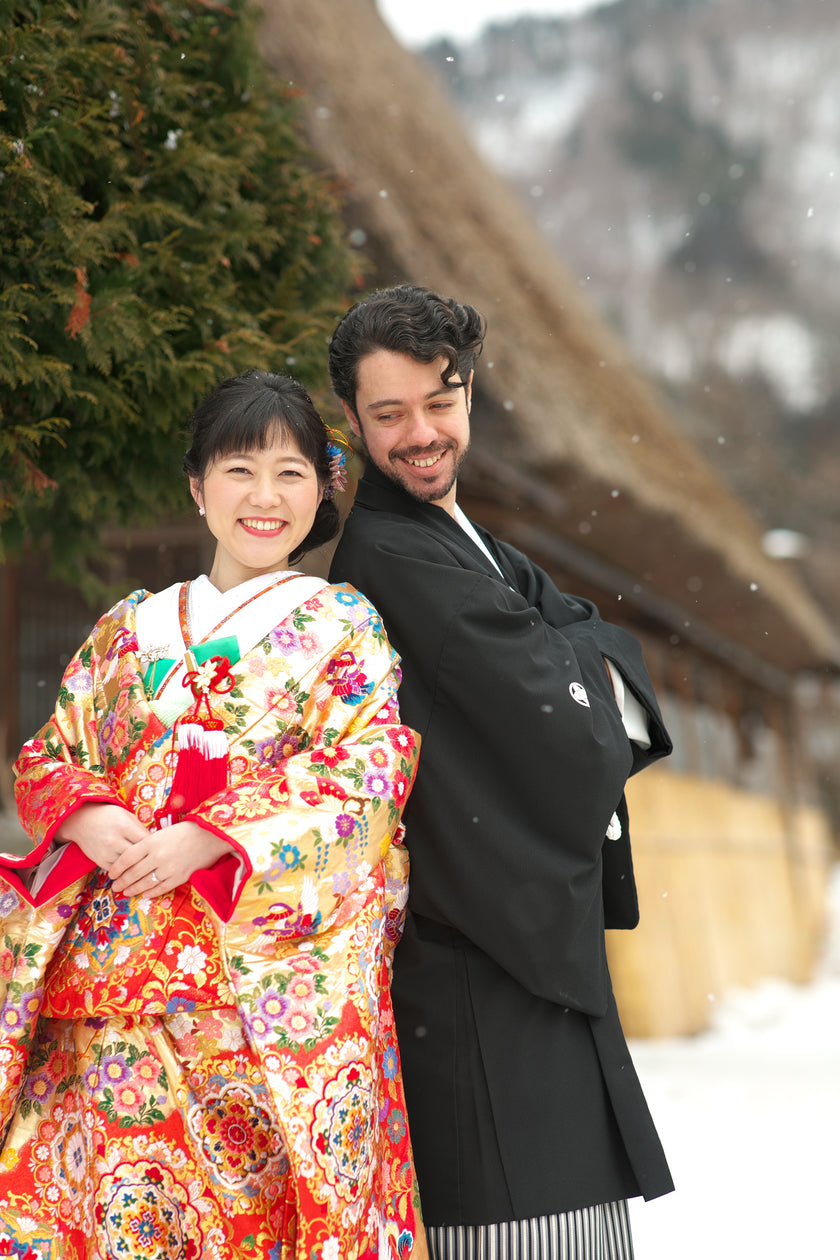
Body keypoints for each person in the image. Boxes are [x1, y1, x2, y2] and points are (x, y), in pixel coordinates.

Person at [0, 371, 428, 1259]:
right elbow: (51, 754)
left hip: (251, 998)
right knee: (108, 1216)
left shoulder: (344, 627)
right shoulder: (129, 629)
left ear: (323, 489)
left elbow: (369, 773)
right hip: (108, 991)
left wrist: (212, 837)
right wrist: (83, 815)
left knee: (244, 1226)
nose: (265, 498)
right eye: (240, 470)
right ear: (197, 488)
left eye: (291, 473)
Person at [327, 285, 675, 1260]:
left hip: (517, 971)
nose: (420, 434)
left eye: (440, 403)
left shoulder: (465, 545)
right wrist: (579, 647)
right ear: (350, 421)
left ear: (470, 396)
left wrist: (572, 646)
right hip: (477, 986)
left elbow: (583, 652)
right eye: (388, 414)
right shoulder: (392, 558)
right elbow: (580, 735)